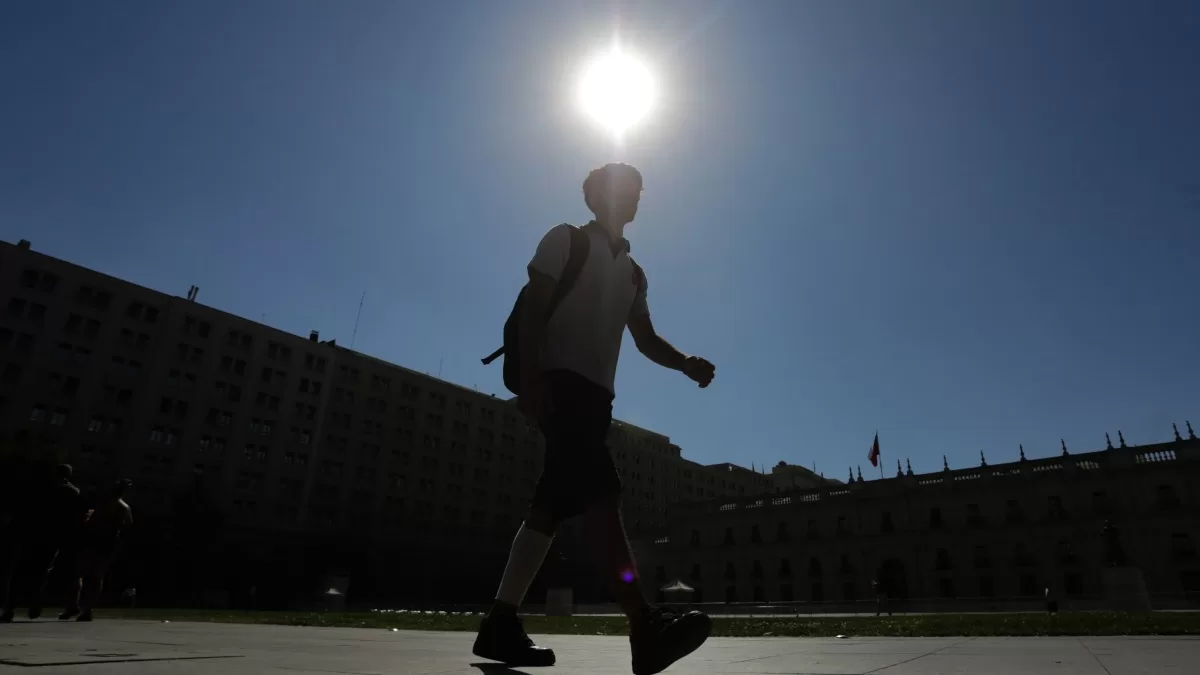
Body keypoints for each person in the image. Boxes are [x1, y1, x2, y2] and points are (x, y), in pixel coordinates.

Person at [473, 163, 717, 675]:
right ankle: (643, 624)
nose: (636, 197)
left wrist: (685, 363)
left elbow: (645, 338)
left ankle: (499, 624)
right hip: (558, 385)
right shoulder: (564, 240)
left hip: (596, 399)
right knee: (603, 494)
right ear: (598, 195)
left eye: (639, 191)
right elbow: (536, 307)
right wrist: (534, 382)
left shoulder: (634, 272)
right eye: (627, 188)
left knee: (550, 507)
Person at [1, 464, 82, 622]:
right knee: (41, 573)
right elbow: (73, 518)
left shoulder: (42, 487)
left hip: (33, 534)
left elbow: (26, 508)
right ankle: (34, 604)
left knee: (20, 572)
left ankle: (11, 609)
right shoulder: (72, 492)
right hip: (52, 538)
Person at [61, 479, 133, 622]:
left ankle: (73, 605)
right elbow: (128, 525)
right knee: (96, 577)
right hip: (109, 544)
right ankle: (87, 610)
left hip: (93, 541)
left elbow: (90, 521)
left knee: (78, 574)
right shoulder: (124, 507)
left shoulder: (103, 504)